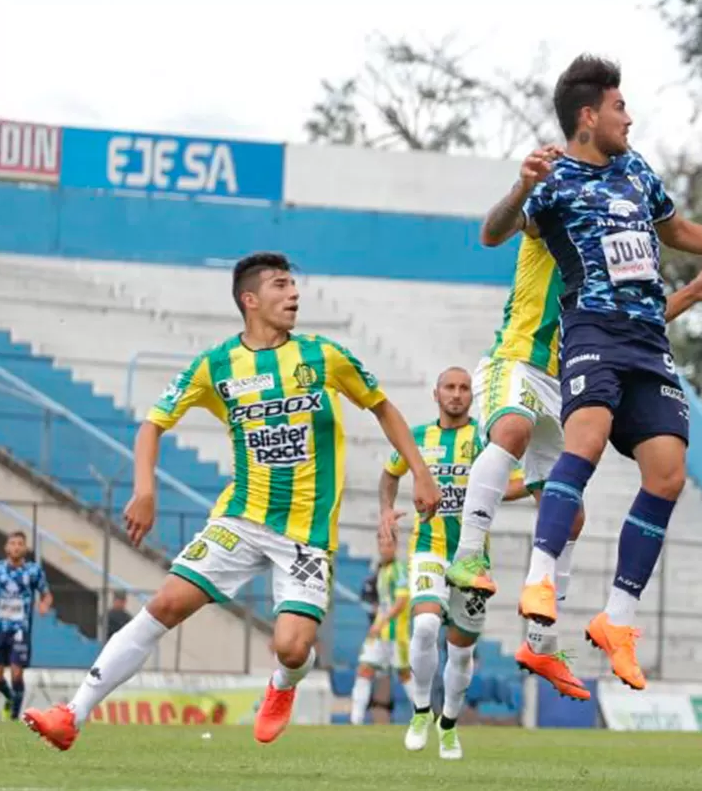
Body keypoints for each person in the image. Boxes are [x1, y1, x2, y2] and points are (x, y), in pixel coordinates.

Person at [22, 252, 441, 751]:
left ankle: (284, 681)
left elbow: (382, 407)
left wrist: (419, 471)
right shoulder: (216, 366)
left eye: (294, 285)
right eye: (281, 286)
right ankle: (71, 714)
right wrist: (145, 489)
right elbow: (153, 424)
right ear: (250, 299)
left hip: (305, 534)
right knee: (165, 604)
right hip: (241, 517)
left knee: (290, 647)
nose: (294, 294)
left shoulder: (322, 356)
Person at [473, 54, 702, 689]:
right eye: (620, 107)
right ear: (588, 117)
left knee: (668, 475)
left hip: (649, 339)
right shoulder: (554, 179)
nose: (630, 117)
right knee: (584, 445)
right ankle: (539, 582)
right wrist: (518, 186)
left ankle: (618, 620)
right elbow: (492, 233)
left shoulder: (635, 170)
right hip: (591, 329)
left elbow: (675, 229)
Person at [443, 180, 702, 700]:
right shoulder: (552, 221)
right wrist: (524, 185)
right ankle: (468, 555)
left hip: (567, 378)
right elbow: (498, 226)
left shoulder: (611, 255)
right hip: (519, 360)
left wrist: (690, 294)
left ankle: (539, 644)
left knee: (571, 515)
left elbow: (636, 322)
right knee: (512, 429)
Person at [380, 366, 516, 757]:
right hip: (428, 547)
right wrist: (386, 510)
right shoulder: (419, 438)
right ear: (435, 393)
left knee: (460, 650)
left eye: (464, 388)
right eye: (449, 387)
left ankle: (450, 723)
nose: (456, 394)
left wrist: (492, 491)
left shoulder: (486, 441)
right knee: (424, 626)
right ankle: (421, 710)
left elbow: (518, 482)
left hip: (472, 558)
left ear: (472, 396)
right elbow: (389, 475)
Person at [349, 536, 411, 728]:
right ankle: (355, 720)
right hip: (379, 631)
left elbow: (401, 602)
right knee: (364, 669)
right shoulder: (383, 570)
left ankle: (423, 715)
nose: (385, 549)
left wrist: (382, 622)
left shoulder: (400, 569)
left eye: (389, 545)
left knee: (405, 675)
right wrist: (378, 623)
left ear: (396, 546)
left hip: (395, 634)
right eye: (382, 545)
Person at [0, 531, 53, 720]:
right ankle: (10, 697)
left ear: (25, 548)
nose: (16, 547)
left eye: (20, 543)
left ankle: (14, 717)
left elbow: (46, 594)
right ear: (6, 547)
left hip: (21, 630)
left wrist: (44, 604)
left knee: (17, 674)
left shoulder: (33, 571)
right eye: (13, 543)